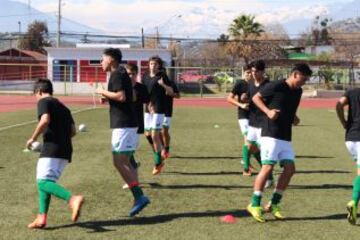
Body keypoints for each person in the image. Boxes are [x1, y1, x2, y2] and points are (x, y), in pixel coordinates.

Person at [246, 63, 312, 223]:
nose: (304, 82)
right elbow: (256, 98)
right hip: (270, 133)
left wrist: (294, 117)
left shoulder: (298, 91)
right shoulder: (277, 85)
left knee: (290, 169)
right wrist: (268, 111)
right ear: (295, 74)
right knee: (267, 167)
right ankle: (254, 204)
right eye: (303, 79)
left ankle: (273, 204)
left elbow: (290, 108)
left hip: (285, 135)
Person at [96, 48, 150, 217]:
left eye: (102, 59)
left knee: (119, 162)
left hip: (124, 125)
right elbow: (129, 97)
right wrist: (108, 97)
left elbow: (121, 97)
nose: (101, 62)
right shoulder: (121, 74)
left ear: (111, 60)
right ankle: (137, 197)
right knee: (124, 161)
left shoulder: (117, 74)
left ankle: (139, 196)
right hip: (128, 123)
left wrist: (102, 91)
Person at [26, 78, 84, 229]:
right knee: (45, 182)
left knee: (43, 182)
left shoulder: (44, 102)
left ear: (39, 91)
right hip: (65, 150)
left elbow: (45, 120)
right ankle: (41, 218)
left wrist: (32, 138)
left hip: (51, 148)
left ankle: (72, 199)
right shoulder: (64, 107)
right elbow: (73, 131)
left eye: (35, 95)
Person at [142, 56, 174, 175]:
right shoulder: (145, 76)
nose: (153, 66)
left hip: (159, 109)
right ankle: (159, 151)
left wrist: (163, 85)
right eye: (151, 64)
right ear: (148, 65)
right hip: (147, 109)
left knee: (155, 134)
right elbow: (144, 92)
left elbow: (171, 92)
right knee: (147, 134)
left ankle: (158, 163)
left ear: (159, 66)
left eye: (155, 64)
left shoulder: (162, 76)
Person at [122, 63, 150, 189]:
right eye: (128, 74)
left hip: (136, 124)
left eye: (133, 74)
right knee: (126, 152)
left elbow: (148, 102)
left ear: (136, 74)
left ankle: (134, 180)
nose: (131, 76)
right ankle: (134, 176)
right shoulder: (121, 87)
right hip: (123, 123)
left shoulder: (141, 88)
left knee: (127, 152)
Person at [247, 60, 274, 187]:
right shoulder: (251, 84)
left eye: (256, 71)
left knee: (262, 150)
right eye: (252, 71)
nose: (253, 73)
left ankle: (268, 177)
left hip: (264, 123)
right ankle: (266, 171)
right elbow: (248, 97)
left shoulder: (269, 85)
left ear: (263, 71)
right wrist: (244, 98)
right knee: (250, 149)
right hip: (252, 122)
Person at [336, 87, 360, 225]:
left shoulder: (352, 92)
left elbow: (338, 104)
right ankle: (353, 202)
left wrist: (344, 122)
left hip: (350, 138)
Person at [227, 64, 253, 175]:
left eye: (251, 72)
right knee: (247, 139)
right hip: (243, 116)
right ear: (243, 73)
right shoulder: (240, 83)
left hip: (255, 117)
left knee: (253, 142)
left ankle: (245, 159)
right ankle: (246, 168)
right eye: (247, 72)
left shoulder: (256, 84)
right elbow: (229, 98)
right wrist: (241, 105)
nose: (249, 74)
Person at [161, 79, 180, 159]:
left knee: (164, 131)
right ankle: (161, 149)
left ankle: (166, 149)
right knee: (155, 133)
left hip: (167, 111)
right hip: (155, 111)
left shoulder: (170, 83)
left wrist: (171, 94)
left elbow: (178, 96)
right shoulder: (153, 81)